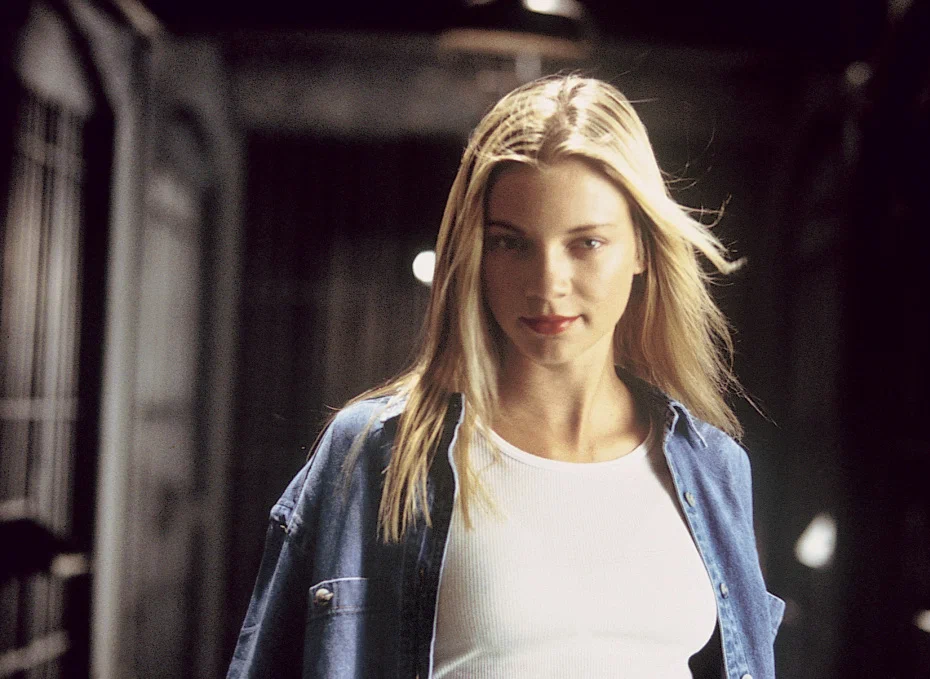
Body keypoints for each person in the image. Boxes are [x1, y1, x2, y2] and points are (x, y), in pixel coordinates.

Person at [227, 74, 784, 679]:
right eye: (511, 244)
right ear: (473, 253)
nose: (547, 284)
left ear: (643, 249)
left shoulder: (713, 467)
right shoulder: (377, 455)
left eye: (586, 243)